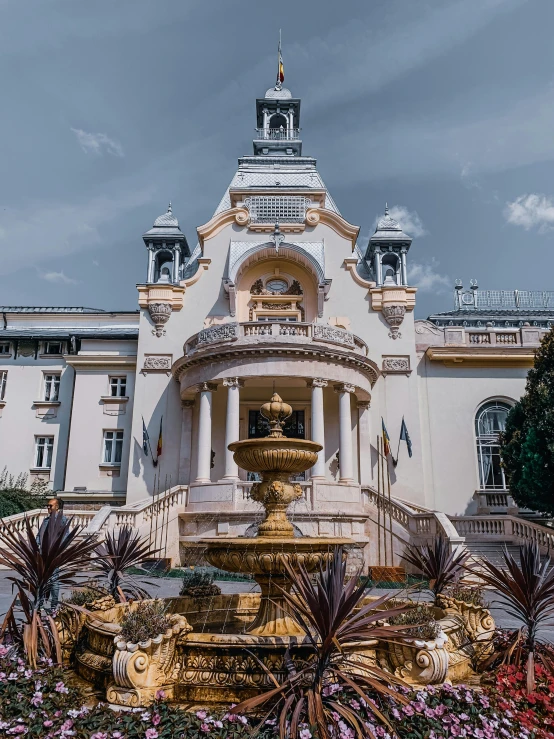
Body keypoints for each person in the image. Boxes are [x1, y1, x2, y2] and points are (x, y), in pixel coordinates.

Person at [37, 497, 68, 610]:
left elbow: (66, 537)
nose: (48, 507)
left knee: (54, 580)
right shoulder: (46, 520)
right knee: (40, 580)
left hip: (54, 555)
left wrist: (56, 549)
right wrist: (36, 546)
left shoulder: (62, 520)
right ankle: (39, 606)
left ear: (57, 507)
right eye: (47, 506)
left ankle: (53, 607)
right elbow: (39, 535)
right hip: (42, 555)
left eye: (50, 506)